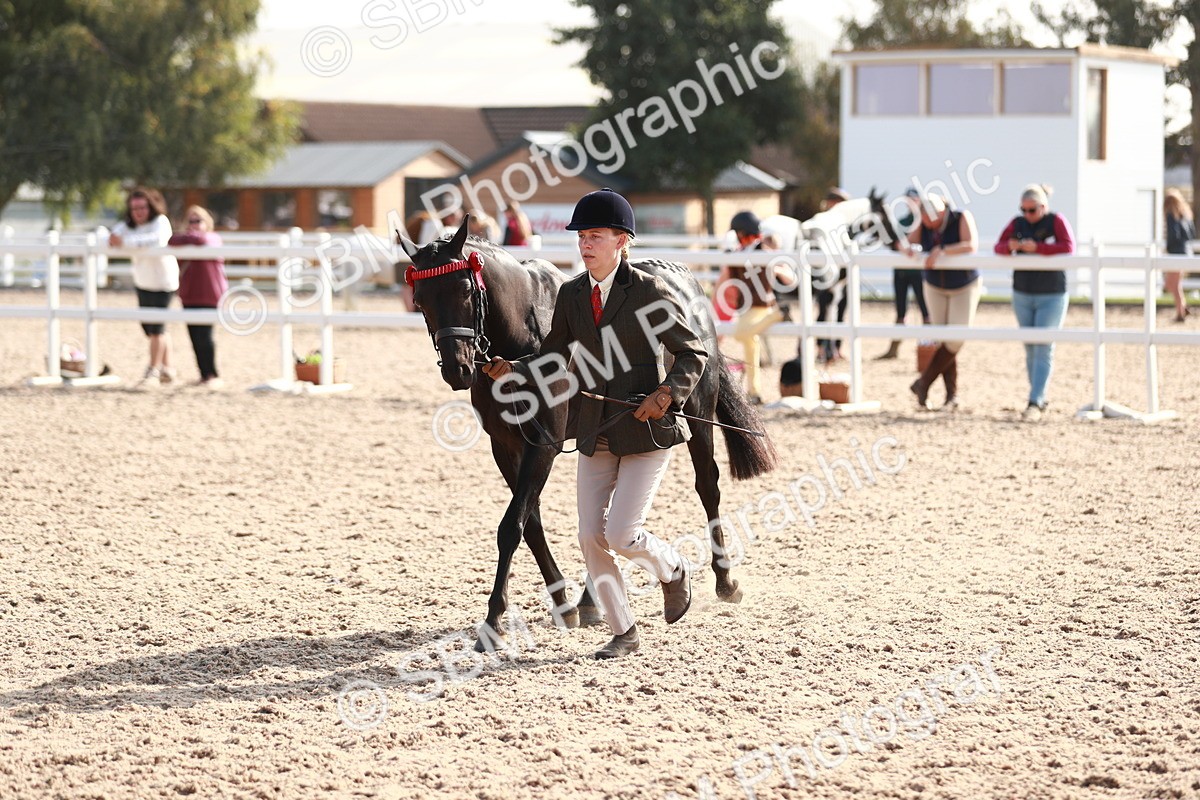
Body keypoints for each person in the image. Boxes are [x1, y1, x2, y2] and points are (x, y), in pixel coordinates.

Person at [482, 188, 702, 660]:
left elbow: (691, 352)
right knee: (589, 535)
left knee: (622, 533)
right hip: (595, 429)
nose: (585, 244)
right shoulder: (572, 294)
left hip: (645, 428)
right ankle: (624, 631)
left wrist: (667, 394)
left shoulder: (649, 290)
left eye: (596, 236)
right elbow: (554, 356)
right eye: (582, 236)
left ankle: (673, 569)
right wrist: (514, 369)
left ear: (622, 240)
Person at [994, 185, 1075, 421]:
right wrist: (1011, 247)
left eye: (1032, 210)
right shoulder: (1016, 224)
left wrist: (1037, 248)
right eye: (1024, 209)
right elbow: (998, 246)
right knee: (1030, 346)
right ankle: (1038, 394)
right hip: (1023, 291)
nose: (1027, 214)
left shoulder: (1056, 221)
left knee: (1043, 346)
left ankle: (1035, 400)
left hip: (1051, 292)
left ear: (1043, 206)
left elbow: (1068, 246)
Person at [904, 192, 979, 411]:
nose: (927, 221)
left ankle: (923, 382)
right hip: (935, 285)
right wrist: (918, 225)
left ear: (942, 210)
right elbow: (911, 242)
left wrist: (942, 250)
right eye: (923, 216)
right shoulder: (924, 223)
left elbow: (970, 245)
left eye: (930, 216)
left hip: (963, 284)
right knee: (943, 339)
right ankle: (950, 396)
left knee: (955, 339)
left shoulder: (961, 217)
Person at [109, 187, 179, 384]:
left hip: (164, 282)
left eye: (142, 207)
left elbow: (155, 240)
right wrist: (118, 240)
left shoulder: (160, 222)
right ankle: (169, 368)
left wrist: (125, 242)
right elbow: (114, 235)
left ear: (150, 206)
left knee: (156, 328)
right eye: (134, 208)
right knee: (152, 329)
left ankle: (153, 370)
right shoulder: (128, 226)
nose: (138, 212)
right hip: (143, 281)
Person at [719, 211, 783, 404]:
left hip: (761, 306)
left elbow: (781, 270)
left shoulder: (762, 250)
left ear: (742, 232)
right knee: (749, 344)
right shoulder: (738, 253)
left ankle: (777, 315)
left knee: (740, 334)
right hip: (746, 308)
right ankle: (754, 392)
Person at [169, 206, 228, 388]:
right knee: (194, 336)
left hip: (210, 293)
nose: (194, 225)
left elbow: (203, 240)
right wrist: (190, 238)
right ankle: (204, 374)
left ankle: (212, 373)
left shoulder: (213, 238)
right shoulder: (186, 241)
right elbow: (171, 240)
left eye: (198, 221)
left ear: (207, 222)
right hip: (189, 293)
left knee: (206, 336)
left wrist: (189, 238)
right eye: (191, 221)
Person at [876, 188, 931, 360]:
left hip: (920, 272)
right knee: (900, 310)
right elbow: (890, 240)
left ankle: (928, 347)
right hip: (901, 272)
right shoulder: (902, 221)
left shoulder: (924, 221)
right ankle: (894, 348)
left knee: (926, 310)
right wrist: (899, 246)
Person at [1164, 189, 1195, 323]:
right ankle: (1183, 308)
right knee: (1175, 283)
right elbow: (1191, 234)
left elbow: (1173, 235)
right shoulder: (1186, 214)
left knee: (1171, 284)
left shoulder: (1171, 215)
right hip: (1186, 252)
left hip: (1176, 253)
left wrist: (1169, 248)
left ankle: (1181, 312)